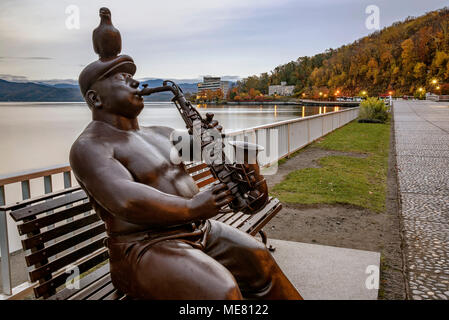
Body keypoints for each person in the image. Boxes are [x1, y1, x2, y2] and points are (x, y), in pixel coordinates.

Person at [69, 7, 302, 300]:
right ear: (95, 98)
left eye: (130, 74)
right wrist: (192, 207)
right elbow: (125, 199)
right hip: (142, 248)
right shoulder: (89, 147)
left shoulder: (161, 133)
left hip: (198, 229)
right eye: (120, 77)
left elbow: (216, 154)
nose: (133, 82)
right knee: (222, 292)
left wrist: (212, 141)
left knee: (260, 260)